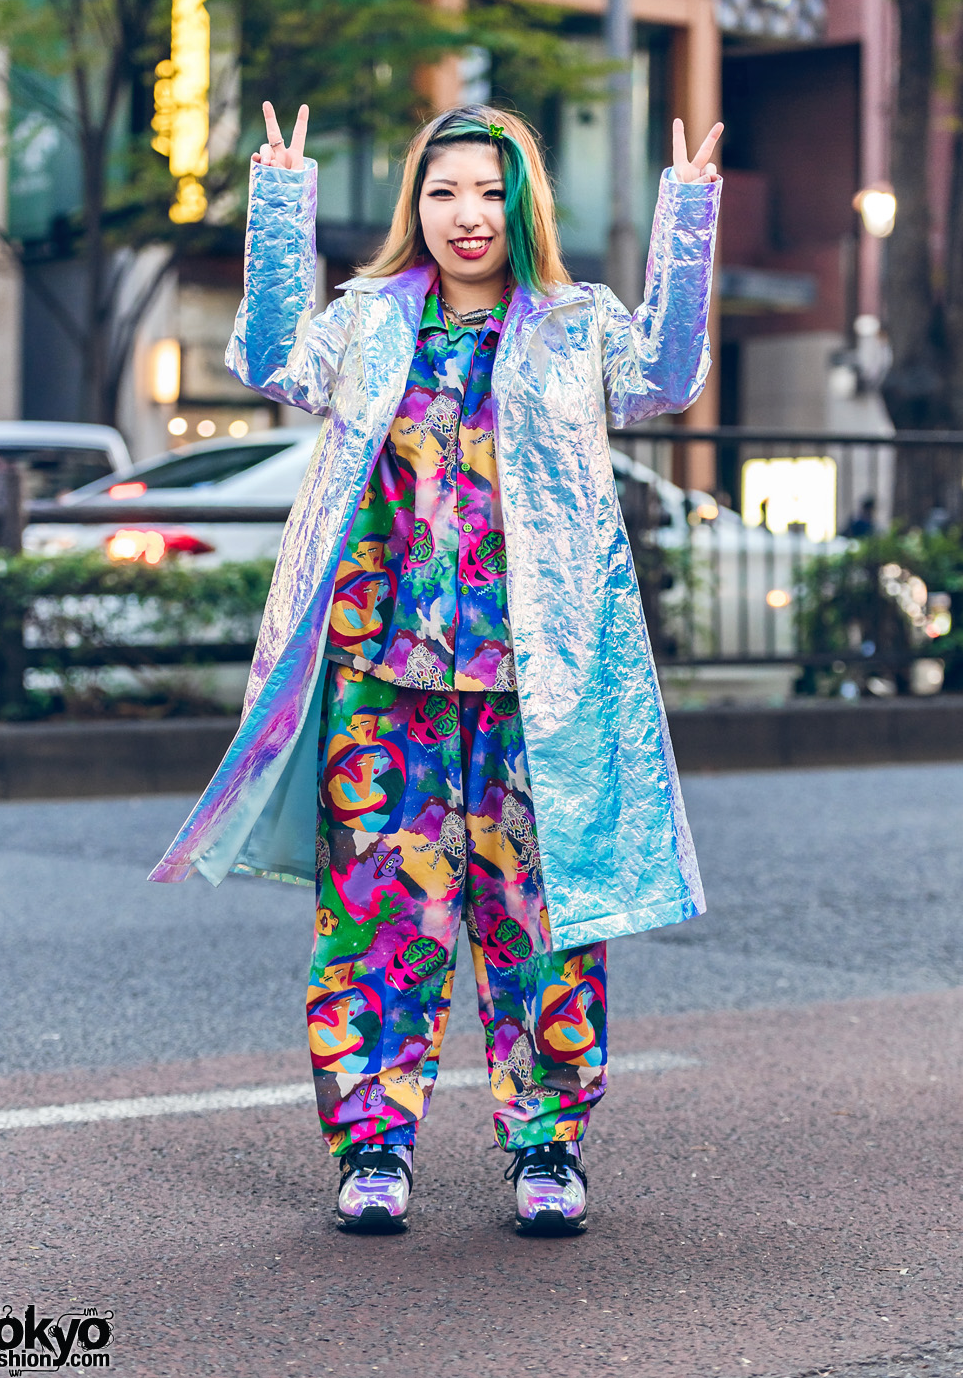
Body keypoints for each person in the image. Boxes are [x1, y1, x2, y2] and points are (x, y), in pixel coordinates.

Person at [148, 98, 722, 1237]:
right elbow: (270, 360)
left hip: (534, 687)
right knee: (377, 919)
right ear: (415, 202)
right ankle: (372, 1146)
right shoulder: (364, 319)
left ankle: (547, 1147)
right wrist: (277, 199)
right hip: (382, 676)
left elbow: (667, 377)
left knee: (542, 920)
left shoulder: (572, 322)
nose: (469, 215)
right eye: (445, 190)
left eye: (493, 191)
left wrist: (687, 212)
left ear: (525, 205)